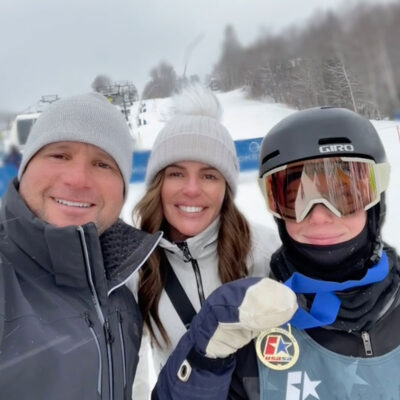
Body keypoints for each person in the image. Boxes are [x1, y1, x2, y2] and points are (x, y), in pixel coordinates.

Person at [152, 106, 399, 400]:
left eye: (344, 196)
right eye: (296, 200)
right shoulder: (255, 316)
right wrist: (203, 355)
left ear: (376, 199)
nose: (319, 216)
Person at [0, 92, 162, 400]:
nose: (78, 179)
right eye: (59, 155)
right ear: (25, 167)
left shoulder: (122, 293)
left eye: (103, 163)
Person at [128, 85, 280, 377]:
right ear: (158, 183)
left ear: (226, 187)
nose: (192, 190)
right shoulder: (135, 264)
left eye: (209, 175)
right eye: (176, 173)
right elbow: (128, 371)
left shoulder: (265, 250)